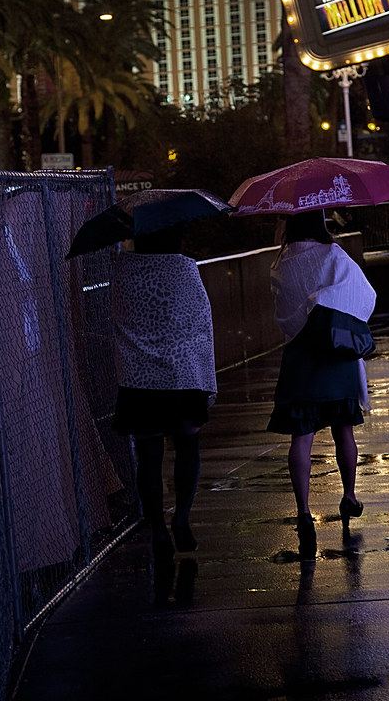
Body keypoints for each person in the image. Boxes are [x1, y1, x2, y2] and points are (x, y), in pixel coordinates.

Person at [111, 225, 217, 594]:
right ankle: (182, 516)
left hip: (139, 377)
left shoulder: (122, 269)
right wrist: (208, 379)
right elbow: (202, 323)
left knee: (149, 455)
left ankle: (157, 527)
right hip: (183, 373)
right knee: (188, 445)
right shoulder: (185, 267)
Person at [268, 209, 376, 559]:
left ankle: (303, 513)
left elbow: (284, 314)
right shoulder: (334, 254)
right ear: (320, 221)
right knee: (344, 431)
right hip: (335, 354)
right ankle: (349, 495)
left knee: (302, 437)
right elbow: (364, 295)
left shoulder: (281, 264)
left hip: (301, 357)